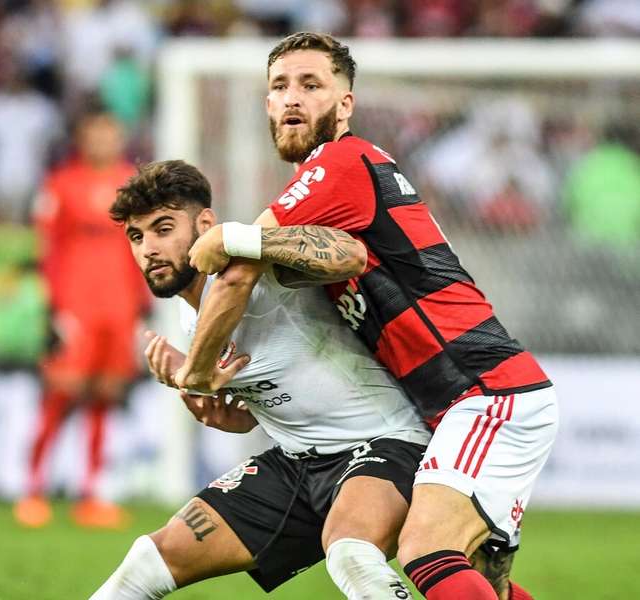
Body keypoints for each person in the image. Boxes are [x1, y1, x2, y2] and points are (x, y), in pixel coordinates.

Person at [177, 33, 557, 600]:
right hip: (455, 404)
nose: (292, 99)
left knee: (427, 550)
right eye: (279, 87)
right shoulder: (329, 186)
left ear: (345, 104)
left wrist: (198, 366)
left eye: (311, 85)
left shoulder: (341, 161)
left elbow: (235, 264)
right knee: (481, 577)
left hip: (485, 391)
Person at [92, 159, 431, 599]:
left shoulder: (255, 267)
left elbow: (350, 253)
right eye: (136, 237)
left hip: (386, 445)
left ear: (206, 224)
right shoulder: (187, 313)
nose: (148, 249)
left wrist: (244, 241)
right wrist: (236, 414)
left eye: (163, 228)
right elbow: (262, 394)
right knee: (149, 559)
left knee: (352, 556)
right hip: (296, 463)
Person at [14, 109, 149, 530]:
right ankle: (32, 490)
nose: (103, 141)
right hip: (76, 304)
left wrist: (144, 299)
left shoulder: (136, 185)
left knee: (103, 398)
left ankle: (92, 495)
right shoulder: (61, 183)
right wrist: (52, 305)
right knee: (60, 393)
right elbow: (46, 247)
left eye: (110, 132)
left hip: (120, 303)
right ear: (81, 138)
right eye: (95, 132)